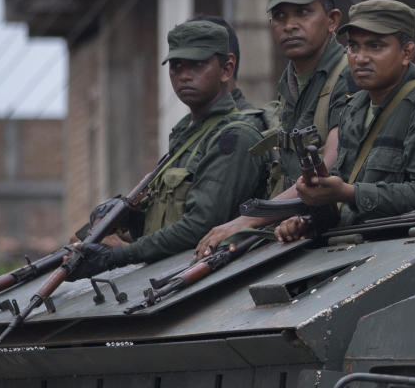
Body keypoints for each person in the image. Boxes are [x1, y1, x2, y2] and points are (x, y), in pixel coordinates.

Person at [67, 20, 267, 279]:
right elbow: (166, 220)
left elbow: (199, 225)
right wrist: (127, 217)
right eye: (176, 66)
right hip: (168, 276)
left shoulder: (234, 136)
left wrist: (118, 256)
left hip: (208, 280)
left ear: (226, 69)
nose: (184, 75)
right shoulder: (189, 135)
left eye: (197, 64)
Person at [194, 0, 355, 255]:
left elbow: (325, 169)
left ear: (332, 20)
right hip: (293, 227)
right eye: (279, 16)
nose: (289, 25)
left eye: (303, 12)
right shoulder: (290, 82)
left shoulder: (348, 76)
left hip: (339, 234)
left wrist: (244, 222)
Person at [275, 0, 415, 240]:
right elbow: (343, 194)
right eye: (353, 47)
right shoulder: (355, 106)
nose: (360, 58)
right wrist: (309, 218)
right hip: (349, 251)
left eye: (375, 46)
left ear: (407, 53)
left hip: (398, 255)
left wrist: (349, 193)